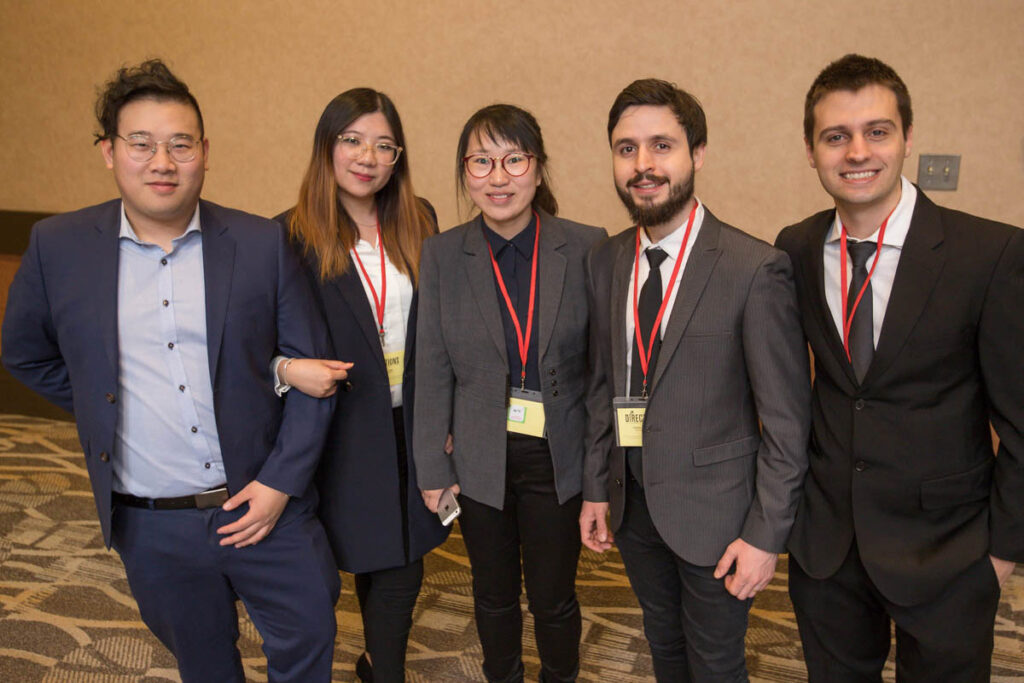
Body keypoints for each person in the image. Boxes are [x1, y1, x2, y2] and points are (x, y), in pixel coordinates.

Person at [0, 60, 339, 682]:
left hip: (264, 501)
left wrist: (278, 486)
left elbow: (314, 377)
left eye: (180, 144)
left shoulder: (260, 243)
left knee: (309, 637)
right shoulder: (59, 245)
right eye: (142, 144)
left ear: (205, 153)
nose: (163, 162)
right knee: (204, 664)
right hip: (152, 520)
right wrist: (106, 404)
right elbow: (24, 352)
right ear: (109, 153)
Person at [775, 53, 1024, 682]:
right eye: (836, 136)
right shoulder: (796, 248)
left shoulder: (989, 253)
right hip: (828, 549)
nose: (857, 151)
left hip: (949, 552)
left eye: (877, 131)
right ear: (811, 151)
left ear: (907, 137)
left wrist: (1000, 555)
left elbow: (1021, 422)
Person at [580, 78, 810, 682]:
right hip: (634, 507)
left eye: (662, 146)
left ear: (697, 154)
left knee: (715, 663)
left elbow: (788, 424)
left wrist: (765, 536)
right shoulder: (606, 261)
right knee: (663, 644)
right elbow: (603, 388)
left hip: (718, 518)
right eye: (626, 148)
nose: (643, 165)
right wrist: (597, 488)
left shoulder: (753, 268)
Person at [414, 104, 606, 683]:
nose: (498, 178)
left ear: (539, 169)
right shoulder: (444, 254)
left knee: (553, 597)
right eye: (481, 162)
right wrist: (431, 465)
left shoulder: (587, 246)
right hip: (477, 458)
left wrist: (599, 477)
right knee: (492, 594)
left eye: (514, 160)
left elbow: (601, 375)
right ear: (465, 173)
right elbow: (432, 366)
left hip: (557, 458)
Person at [271, 87, 448, 683]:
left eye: (383, 145)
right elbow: (249, 345)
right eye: (352, 140)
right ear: (327, 145)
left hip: (411, 421)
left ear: (397, 157)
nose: (367, 157)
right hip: (339, 430)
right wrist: (287, 370)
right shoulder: (288, 235)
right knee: (354, 556)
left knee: (404, 559)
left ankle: (382, 668)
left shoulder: (419, 219)